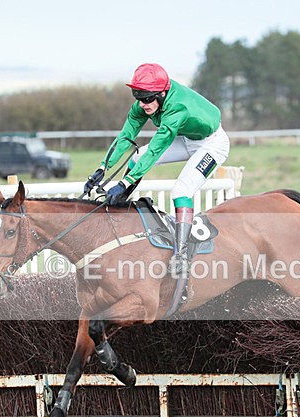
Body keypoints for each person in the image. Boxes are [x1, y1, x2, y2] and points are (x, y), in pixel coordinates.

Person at [83, 63, 230, 276]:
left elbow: (155, 150)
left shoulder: (177, 109)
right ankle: (120, 209)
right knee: (136, 157)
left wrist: (124, 182)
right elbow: (125, 137)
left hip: (212, 144)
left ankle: (182, 255)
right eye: (138, 97)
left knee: (181, 191)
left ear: (162, 93)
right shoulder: (145, 103)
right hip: (187, 137)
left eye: (148, 98)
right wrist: (102, 168)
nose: (143, 104)